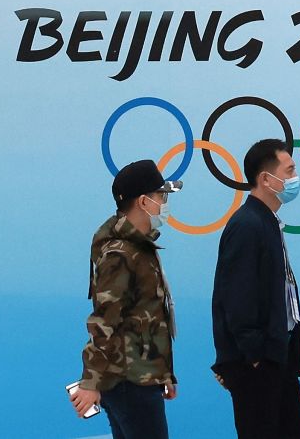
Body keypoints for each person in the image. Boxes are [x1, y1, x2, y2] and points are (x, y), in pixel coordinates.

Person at [71, 159, 181, 439]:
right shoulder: (120, 254)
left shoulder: (139, 247)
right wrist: (91, 381)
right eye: (161, 196)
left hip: (141, 377)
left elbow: (148, 316)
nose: (164, 202)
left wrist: (162, 373)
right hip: (128, 382)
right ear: (144, 202)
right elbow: (105, 321)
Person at [210, 139, 300, 439]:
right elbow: (237, 298)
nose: (295, 178)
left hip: (277, 360)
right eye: (290, 170)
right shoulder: (247, 225)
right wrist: (254, 356)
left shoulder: (267, 222)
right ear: (267, 179)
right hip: (258, 365)